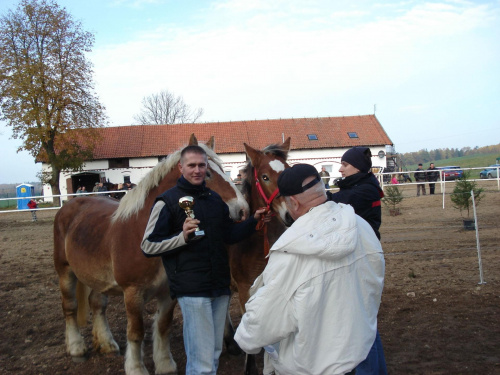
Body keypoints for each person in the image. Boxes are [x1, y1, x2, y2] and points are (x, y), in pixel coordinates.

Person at [234, 164, 385, 375]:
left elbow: (268, 316)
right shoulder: (360, 226)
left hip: (313, 365)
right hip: (362, 350)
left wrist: (244, 339)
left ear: (293, 202)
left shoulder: (291, 252)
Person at [141, 145, 271, 375]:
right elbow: (148, 245)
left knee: (213, 352)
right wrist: (181, 238)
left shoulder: (214, 199)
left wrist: (253, 221)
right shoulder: (167, 201)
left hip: (219, 286)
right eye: (191, 165)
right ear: (181, 167)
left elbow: (228, 235)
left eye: (202, 165)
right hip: (192, 288)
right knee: (200, 359)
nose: (197, 170)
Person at [325, 147, 387, 375]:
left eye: (345, 165)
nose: (340, 169)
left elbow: (330, 204)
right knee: (366, 320)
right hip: (360, 258)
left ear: (358, 168)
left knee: (360, 323)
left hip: (361, 262)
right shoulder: (361, 186)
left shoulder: (362, 192)